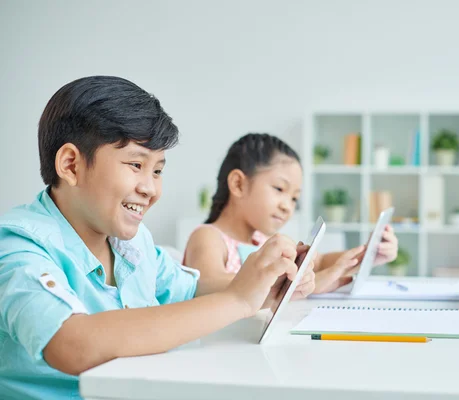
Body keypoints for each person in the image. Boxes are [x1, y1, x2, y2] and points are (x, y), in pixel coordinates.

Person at [0, 77, 314, 400]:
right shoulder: (18, 247)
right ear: (70, 165)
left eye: (158, 171)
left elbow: (189, 290)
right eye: (136, 165)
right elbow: (71, 344)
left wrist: (264, 287)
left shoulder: (132, 241)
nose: (150, 189)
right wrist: (236, 301)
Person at [183, 133, 398, 294]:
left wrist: (368, 254)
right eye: (279, 189)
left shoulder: (263, 241)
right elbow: (206, 286)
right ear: (238, 184)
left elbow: (319, 261)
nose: (288, 206)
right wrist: (295, 284)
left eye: (294, 198)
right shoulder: (208, 237)